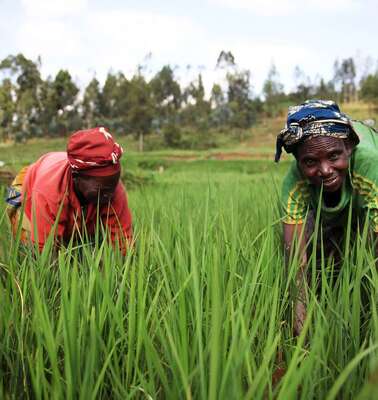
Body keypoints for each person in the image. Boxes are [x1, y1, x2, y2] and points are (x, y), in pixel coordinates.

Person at [275, 99, 378, 335]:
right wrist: (299, 328)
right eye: (310, 161)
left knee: (365, 252)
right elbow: (295, 264)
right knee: (320, 253)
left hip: (367, 194)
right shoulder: (294, 183)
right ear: (299, 161)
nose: (324, 170)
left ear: (349, 148)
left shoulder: (370, 165)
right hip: (324, 205)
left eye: (333, 156)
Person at [6, 126, 133, 254]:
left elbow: (123, 243)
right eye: (102, 188)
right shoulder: (49, 192)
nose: (110, 194)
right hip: (29, 187)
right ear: (76, 177)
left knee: (84, 243)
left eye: (113, 183)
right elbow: (43, 254)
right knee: (28, 248)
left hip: (59, 185)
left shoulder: (112, 188)